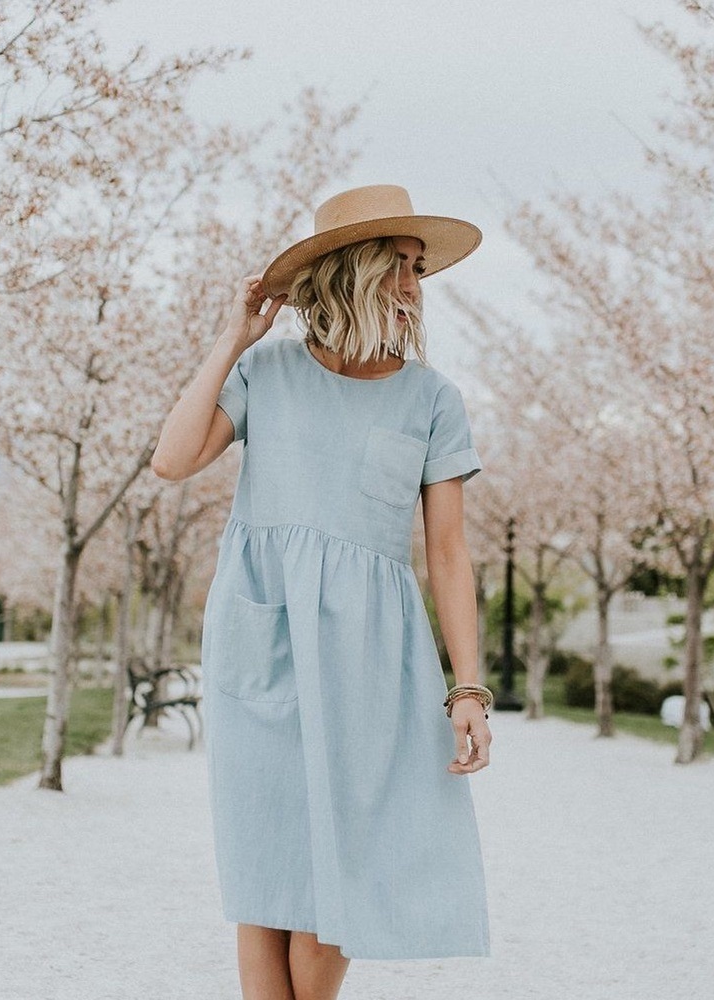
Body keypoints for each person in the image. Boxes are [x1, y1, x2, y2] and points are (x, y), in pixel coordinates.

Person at [152, 184, 492, 1000]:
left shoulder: (433, 399)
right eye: (399, 265)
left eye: (419, 269)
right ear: (352, 270)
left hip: (369, 659)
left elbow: (448, 554)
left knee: (340, 870)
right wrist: (233, 338)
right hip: (259, 644)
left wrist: (468, 688)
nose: (414, 286)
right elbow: (172, 459)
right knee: (264, 864)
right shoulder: (265, 373)